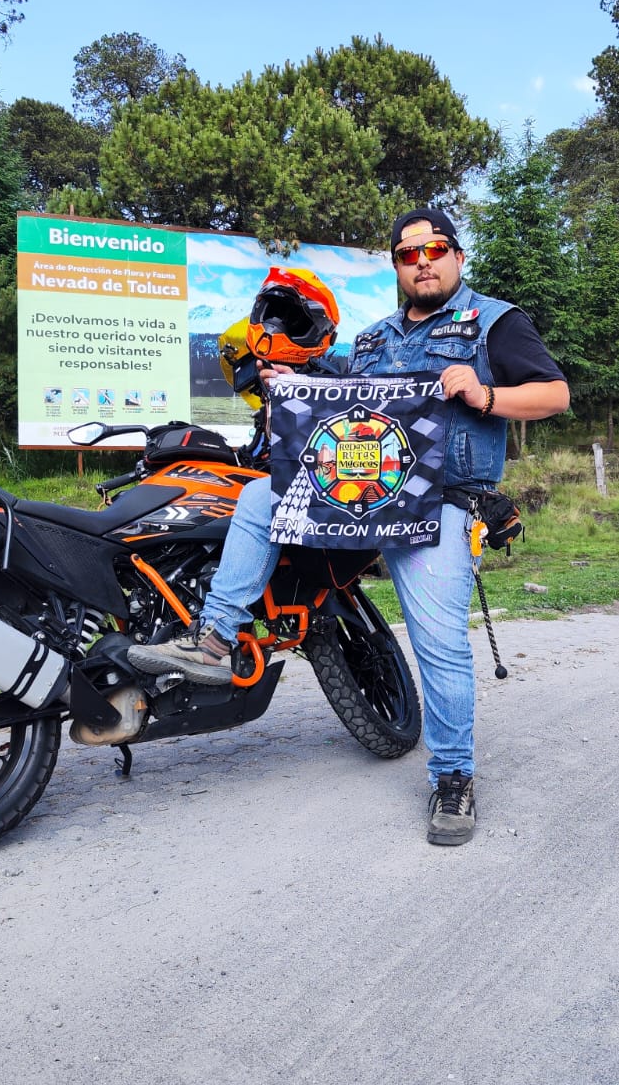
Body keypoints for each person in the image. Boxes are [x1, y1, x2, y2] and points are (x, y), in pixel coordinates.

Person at [130, 208, 569, 845]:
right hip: (356, 494)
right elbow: (343, 406)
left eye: (435, 248)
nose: (423, 261)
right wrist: (294, 384)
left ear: (457, 257)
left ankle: (453, 779)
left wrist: (486, 394)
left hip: (439, 503)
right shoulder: (372, 340)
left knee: (438, 642)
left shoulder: (494, 321)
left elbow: (554, 394)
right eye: (408, 253)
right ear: (396, 265)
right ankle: (215, 641)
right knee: (256, 500)